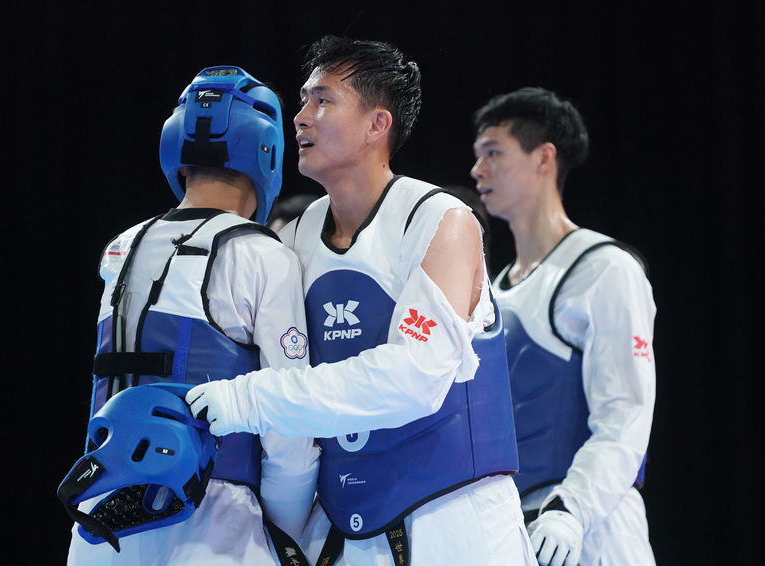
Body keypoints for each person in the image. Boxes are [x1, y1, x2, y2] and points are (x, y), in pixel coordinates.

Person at [186, 36, 535, 565]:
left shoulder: (441, 220)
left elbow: (415, 377)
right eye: (302, 100)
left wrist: (248, 399)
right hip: (342, 529)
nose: (300, 117)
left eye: (322, 100)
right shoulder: (289, 241)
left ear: (377, 125)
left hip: (455, 522)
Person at [65, 65, 319, 565]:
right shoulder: (263, 255)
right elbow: (290, 421)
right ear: (267, 152)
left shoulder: (120, 248)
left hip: (100, 512)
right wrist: (286, 530)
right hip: (213, 516)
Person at [470, 87, 656, 566]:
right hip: (514, 532)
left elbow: (626, 415)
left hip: (593, 530)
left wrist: (571, 510)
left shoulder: (605, 269)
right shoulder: (493, 291)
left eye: (493, 153)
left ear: (543, 158)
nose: (477, 170)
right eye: (477, 156)